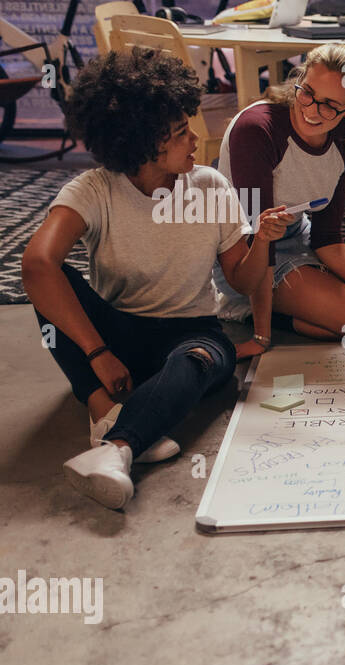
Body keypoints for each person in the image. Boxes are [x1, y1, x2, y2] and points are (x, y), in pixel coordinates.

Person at [21, 48, 291, 509]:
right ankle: (102, 404)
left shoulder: (210, 186)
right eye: (182, 132)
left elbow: (243, 281)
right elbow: (36, 265)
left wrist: (263, 240)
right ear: (144, 142)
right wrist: (99, 352)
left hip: (191, 334)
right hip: (115, 333)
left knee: (203, 358)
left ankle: (117, 447)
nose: (196, 140)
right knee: (50, 281)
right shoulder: (94, 190)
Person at [212, 43, 345, 358]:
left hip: (295, 235)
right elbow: (260, 238)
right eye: (307, 92)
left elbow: (327, 237)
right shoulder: (257, 129)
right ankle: (254, 310)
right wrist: (262, 336)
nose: (312, 110)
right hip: (246, 250)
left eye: (329, 105)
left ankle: (304, 305)